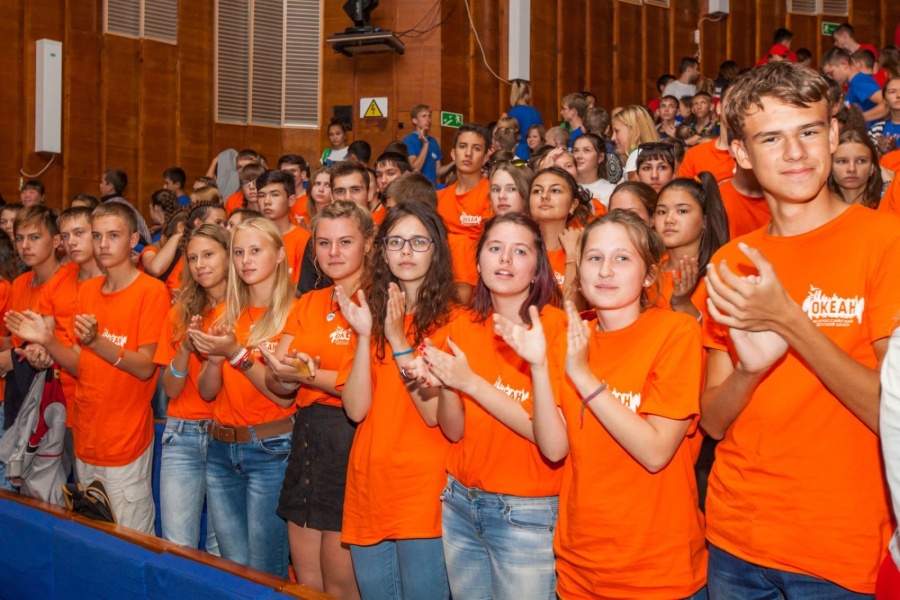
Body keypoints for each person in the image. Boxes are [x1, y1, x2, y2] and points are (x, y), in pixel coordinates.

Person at [699, 60, 900, 598]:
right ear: (741, 153)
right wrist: (748, 372)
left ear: (833, 135)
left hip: (841, 548)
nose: (794, 153)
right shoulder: (730, 260)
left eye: (808, 132)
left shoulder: (887, 242)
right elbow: (712, 422)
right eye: (771, 138)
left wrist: (790, 322)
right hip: (735, 539)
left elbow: (893, 415)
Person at [496, 210, 708, 599]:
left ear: (649, 275)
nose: (605, 270)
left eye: (622, 258)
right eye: (594, 258)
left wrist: (583, 377)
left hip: (657, 569)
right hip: (580, 564)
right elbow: (554, 448)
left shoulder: (676, 333)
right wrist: (539, 367)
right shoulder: (572, 337)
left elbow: (656, 452)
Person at [410, 213, 565, 599]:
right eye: (495, 248)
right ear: (478, 263)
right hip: (461, 502)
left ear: (538, 268)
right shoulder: (464, 325)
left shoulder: (557, 329)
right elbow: (454, 431)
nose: (505, 259)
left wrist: (471, 384)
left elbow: (553, 443)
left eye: (520, 251)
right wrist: (448, 383)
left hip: (527, 511)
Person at [16, 203, 169, 532]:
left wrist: (98, 342)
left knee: (130, 539)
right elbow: (80, 364)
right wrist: (48, 340)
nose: (103, 244)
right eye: (97, 236)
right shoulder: (86, 291)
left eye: (113, 235)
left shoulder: (151, 291)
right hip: (87, 435)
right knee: (94, 538)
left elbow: (145, 368)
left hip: (125, 441)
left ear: (133, 240)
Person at [335, 201, 459, 600]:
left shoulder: (454, 321)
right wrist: (363, 336)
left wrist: (399, 340)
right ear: (383, 251)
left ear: (436, 250)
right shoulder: (369, 315)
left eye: (419, 241)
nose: (406, 251)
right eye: (396, 241)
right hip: (369, 484)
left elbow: (433, 415)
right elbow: (356, 409)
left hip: (423, 488)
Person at [261, 201, 374, 598]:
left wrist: (307, 375)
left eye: (346, 242)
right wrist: (282, 371)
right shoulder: (309, 302)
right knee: (307, 583)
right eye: (324, 243)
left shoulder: (380, 302)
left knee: (341, 584)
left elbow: (368, 386)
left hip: (353, 441)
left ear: (368, 244)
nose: (334, 252)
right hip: (308, 442)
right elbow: (280, 382)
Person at [192, 216, 297, 577]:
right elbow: (207, 392)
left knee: (266, 570)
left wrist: (236, 353)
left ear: (279, 255)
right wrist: (214, 360)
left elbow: (284, 397)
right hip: (220, 447)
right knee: (233, 568)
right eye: (238, 252)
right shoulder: (226, 313)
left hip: (271, 450)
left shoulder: (294, 312)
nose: (245, 260)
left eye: (255, 250)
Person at [152, 224, 228, 553]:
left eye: (208, 255)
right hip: (181, 433)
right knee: (177, 545)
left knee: (220, 549)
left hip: (227, 435)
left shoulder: (244, 310)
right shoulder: (179, 312)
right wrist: (184, 349)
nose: (200, 265)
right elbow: (170, 389)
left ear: (229, 256)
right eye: (193, 258)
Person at [654, 174, 729, 318]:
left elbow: (720, 331)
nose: (668, 219)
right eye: (662, 212)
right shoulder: (647, 271)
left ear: (705, 220)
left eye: (682, 211)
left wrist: (683, 304)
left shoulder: (719, 277)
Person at [436, 123, 492, 305]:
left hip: (480, 281)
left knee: (461, 245)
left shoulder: (493, 194)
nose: (468, 153)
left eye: (476, 148)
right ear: (453, 154)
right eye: (462, 146)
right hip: (441, 276)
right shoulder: (439, 197)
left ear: (485, 158)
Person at [529, 166, 592, 302]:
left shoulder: (586, 249)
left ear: (573, 205)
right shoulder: (519, 247)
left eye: (555, 190)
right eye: (537, 191)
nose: (544, 196)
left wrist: (572, 254)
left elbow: (573, 309)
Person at [256, 170, 310, 284]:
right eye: (261, 195)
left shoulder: (303, 239)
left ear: (291, 200)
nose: (266, 201)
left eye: (275, 195)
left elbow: (301, 288)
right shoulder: (253, 236)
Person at [821, 47, 888, 125]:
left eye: (831, 73)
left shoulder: (859, 81)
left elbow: (886, 104)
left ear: (844, 64)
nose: (830, 78)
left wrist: (858, 119)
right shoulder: (854, 83)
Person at [828, 128, 884, 208]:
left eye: (861, 161)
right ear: (830, 167)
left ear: (872, 167)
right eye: (842, 161)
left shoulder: (886, 206)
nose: (852, 169)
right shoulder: (818, 209)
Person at [99, 169, 153, 245]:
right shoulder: (130, 207)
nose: (100, 185)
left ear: (110, 186)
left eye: (102, 182)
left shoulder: (109, 209)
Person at [404, 105, 449, 185]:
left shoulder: (433, 141)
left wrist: (455, 162)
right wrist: (425, 144)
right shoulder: (408, 140)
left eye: (429, 116)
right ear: (415, 120)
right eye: (424, 116)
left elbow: (438, 172)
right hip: (417, 188)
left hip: (432, 188)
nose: (428, 119)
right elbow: (415, 169)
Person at [612, 106, 660, 179]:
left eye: (617, 131)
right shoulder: (658, 154)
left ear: (635, 131)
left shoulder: (635, 156)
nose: (612, 138)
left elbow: (633, 186)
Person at [572, 133, 615, 206]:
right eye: (575, 150)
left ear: (600, 157)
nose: (579, 156)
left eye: (586, 150)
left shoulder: (611, 190)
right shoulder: (566, 186)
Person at [508, 80, 543, 159]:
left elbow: (510, 135)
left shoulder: (514, 111)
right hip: (536, 150)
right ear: (527, 94)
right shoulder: (536, 112)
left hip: (520, 150)